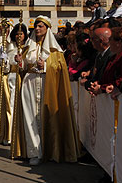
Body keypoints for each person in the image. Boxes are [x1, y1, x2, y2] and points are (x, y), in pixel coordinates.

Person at [16, 16, 80, 165]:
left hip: (47, 83)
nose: (37, 29)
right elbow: (23, 67)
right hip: (29, 83)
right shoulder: (28, 47)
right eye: (36, 26)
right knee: (30, 117)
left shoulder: (55, 50)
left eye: (40, 26)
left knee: (47, 115)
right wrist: (20, 62)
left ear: (47, 29)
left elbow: (60, 68)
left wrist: (45, 66)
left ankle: (50, 150)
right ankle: (34, 152)